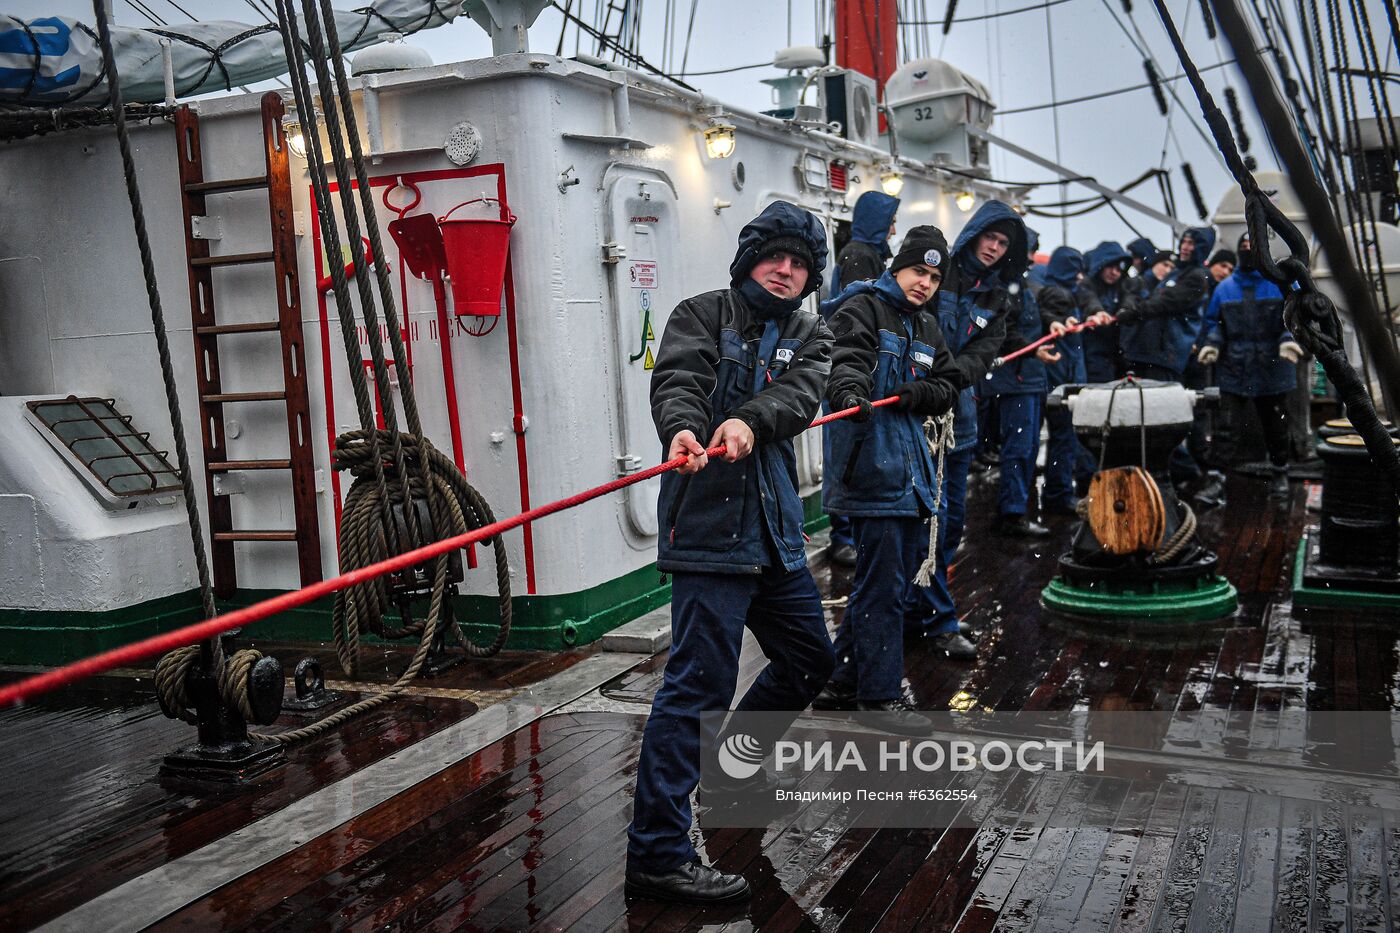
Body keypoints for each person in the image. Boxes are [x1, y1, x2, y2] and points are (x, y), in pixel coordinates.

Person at [626, 201, 836, 906]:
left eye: (800, 263)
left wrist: (751, 418)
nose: (786, 270)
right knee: (695, 688)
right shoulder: (700, 313)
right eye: (776, 257)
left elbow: (803, 395)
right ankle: (657, 854)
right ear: (750, 258)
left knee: (811, 658)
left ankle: (729, 765)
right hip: (711, 536)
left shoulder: (810, 333)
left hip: (774, 535)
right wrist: (686, 429)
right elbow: (678, 379)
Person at [815, 226, 961, 733]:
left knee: (882, 585)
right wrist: (852, 391)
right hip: (871, 471)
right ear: (896, 268)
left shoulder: (925, 327)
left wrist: (919, 395)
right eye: (918, 271)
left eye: (934, 276)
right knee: (882, 590)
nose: (925, 283)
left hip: (910, 474)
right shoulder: (862, 311)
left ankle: (840, 681)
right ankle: (877, 700)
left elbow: (948, 382)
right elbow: (844, 364)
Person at [917, 200, 1030, 659]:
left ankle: (922, 606)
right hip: (919, 418)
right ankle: (937, 618)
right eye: (991, 237)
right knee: (927, 520)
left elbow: (985, 350)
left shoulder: (996, 296)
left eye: (1004, 244)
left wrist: (951, 378)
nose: (995, 248)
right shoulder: (936, 274)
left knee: (951, 522)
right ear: (976, 233)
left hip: (959, 421)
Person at [1195, 233, 1303, 499]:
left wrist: (1289, 339)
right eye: (1243, 247)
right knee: (1225, 426)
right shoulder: (1224, 289)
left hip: (1273, 365)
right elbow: (1215, 323)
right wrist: (1212, 344)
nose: (1248, 251)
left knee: (1276, 425)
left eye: (1252, 247)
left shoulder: (1282, 284)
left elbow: (1297, 314)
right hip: (1235, 365)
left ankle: (1280, 474)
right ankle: (1217, 478)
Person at [823, 189, 900, 566]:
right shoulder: (860, 255)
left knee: (859, 452)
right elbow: (859, 308)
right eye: (890, 220)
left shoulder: (872, 255)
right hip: (853, 365)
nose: (894, 228)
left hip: (866, 365)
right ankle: (842, 537)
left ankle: (853, 531)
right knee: (848, 451)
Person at [1116, 227, 1216, 485]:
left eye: (1192, 243)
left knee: (1160, 420)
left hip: (1165, 356)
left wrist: (1133, 312)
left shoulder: (1196, 277)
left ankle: (1188, 475)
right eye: (1184, 241)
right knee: (1148, 418)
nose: (1185, 246)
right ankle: (1165, 474)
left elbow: (1168, 303)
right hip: (1150, 353)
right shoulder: (1177, 273)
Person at [986, 229, 1061, 537]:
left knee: (1027, 446)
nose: (1031, 257)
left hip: (1027, 377)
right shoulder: (1006, 285)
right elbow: (1005, 328)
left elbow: (1029, 315)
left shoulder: (1019, 284)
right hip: (1017, 378)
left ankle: (1015, 507)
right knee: (1019, 447)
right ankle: (1012, 513)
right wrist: (1032, 350)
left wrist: (1053, 321)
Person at [1035, 247, 1114, 513]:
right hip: (1063, 376)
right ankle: (1058, 495)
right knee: (1064, 437)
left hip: (1061, 375)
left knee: (1064, 437)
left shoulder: (1057, 290)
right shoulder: (1059, 294)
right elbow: (1055, 321)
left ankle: (1058, 492)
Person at [1081, 241, 1135, 383]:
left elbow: (1130, 298)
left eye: (1118, 269)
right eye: (1110, 266)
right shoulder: (1088, 284)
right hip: (1095, 354)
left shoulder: (1123, 286)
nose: (1114, 272)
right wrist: (1097, 312)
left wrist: (1125, 311)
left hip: (1119, 356)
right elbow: (1088, 300)